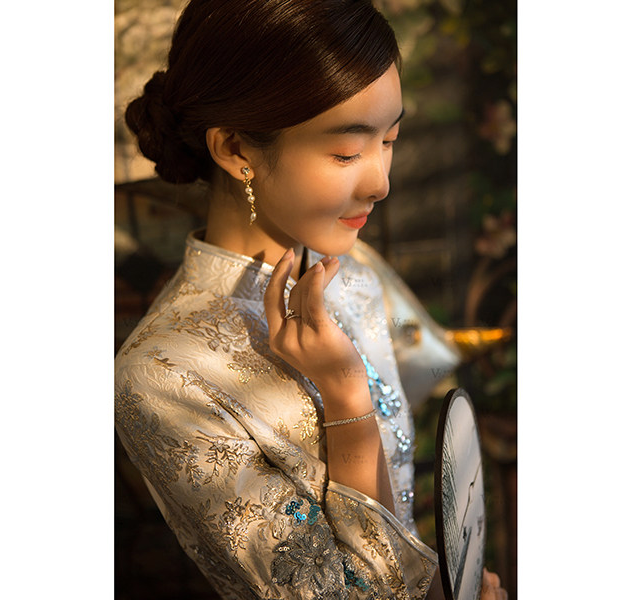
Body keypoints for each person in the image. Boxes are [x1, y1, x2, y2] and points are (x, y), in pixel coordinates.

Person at [115, 1, 507, 598]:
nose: (381, 182)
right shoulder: (164, 374)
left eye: (390, 140)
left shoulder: (352, 271)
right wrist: (346, 395)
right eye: (346, 152)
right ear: (236, 149)